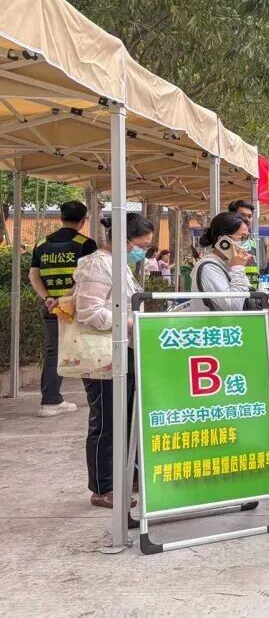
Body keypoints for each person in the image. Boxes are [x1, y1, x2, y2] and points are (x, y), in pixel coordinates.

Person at [73, 212, 155, 509]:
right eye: (140, 246)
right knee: (106, 420)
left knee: (127, 416)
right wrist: (129, 322)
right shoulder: (98, 265)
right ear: (122, 240)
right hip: (103, 355)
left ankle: (130, 474)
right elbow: (89, 312)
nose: (142, 252)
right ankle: (102, 486)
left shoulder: (119, 265)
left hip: (124, 351)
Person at [28, 201, 98, 417]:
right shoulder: (86, 244)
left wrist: (49, 298)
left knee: (53, 352)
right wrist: (66, 298)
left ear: (61, 217)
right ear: (83, 220)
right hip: (78, 307)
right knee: (87, 348)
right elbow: (89, 277)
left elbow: (33, 275)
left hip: (52, 307)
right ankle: (95, 398)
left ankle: (50, 401)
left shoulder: (41, 244)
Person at [187, 213, 254, 312]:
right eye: (242, 238)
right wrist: (238, 268)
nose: (246, 244)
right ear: (223, 242)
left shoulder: (229, 264)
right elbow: (234, 307)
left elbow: (248, 295)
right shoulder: (208, 268)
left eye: (247, 238)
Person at [227, 199, 261, 288]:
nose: (247, 219)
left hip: (251, 288)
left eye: (250, 216)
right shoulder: (229, 240)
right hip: (236, 286)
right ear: (232, 216)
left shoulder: (252, 240)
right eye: (242, 215)